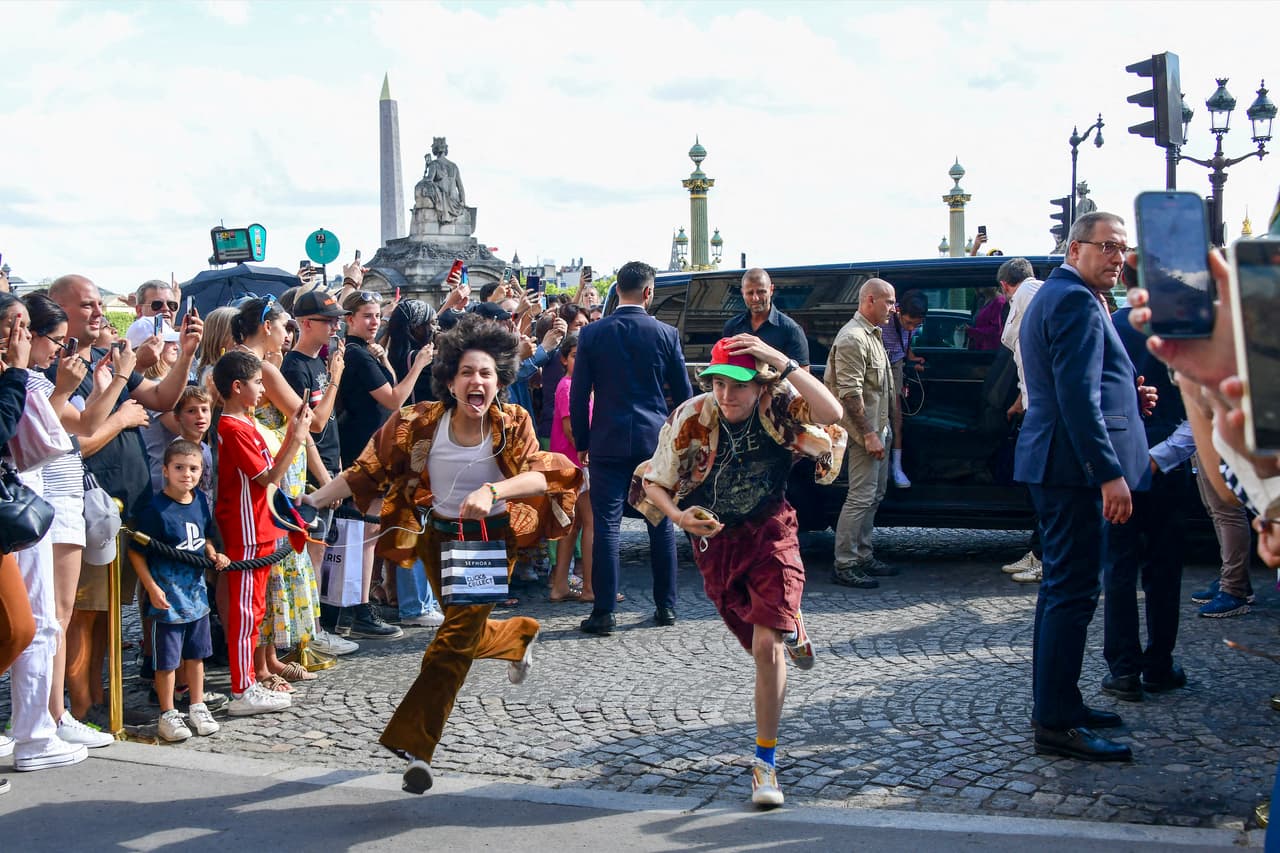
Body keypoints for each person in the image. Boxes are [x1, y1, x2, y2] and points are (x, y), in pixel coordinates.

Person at [303, 314, 581, 794]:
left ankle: (415, 747)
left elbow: (542, 476)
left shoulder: (512, 422)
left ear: (500, 382)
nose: (478, 381)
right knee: (463, 628)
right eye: (468, 372)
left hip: (490, 537)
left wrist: (494, 491)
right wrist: (314, 499)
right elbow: (366, 469)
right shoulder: (417, 422)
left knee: (451, 641)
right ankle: (516, 635)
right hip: (435, 536)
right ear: (451, 381)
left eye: (487, 373)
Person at [633, 335, 844, 807]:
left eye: (739, 385)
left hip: (771, 528)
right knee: (758, 644)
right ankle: (795, 627)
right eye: (719, 383)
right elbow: (655, 482)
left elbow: (831, 414)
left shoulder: (781, 404)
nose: (726, 395)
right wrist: (680, 517)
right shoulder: (690, 416)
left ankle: (764, 765)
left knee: (767, 645)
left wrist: (779, 361)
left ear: (760, 385)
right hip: (715, 540)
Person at [1014, 211, 1149, 763]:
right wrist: (1109, 474)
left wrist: (1129, 402)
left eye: (1123, 249)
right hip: (1071, 470)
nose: (1118, 257)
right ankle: (1055, 722)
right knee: (1071, 594)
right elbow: (1074, 397)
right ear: (1075, 250)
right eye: (1108, 247)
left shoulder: (1066, 294)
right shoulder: (1072, 299)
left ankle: (1060, 703)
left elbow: (1088, 386)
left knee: (1061, 593)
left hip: (1058, 463)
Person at [571, 261, 693, 635]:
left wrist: (583, 442)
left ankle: (604, 613)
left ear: (618, 289)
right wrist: (678, 439)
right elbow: (684, 394)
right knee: (659, 523)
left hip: (607, 438)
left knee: (607, 525)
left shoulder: (592, 334)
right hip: (653, 440)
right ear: (648, 292)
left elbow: (579, 396)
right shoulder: (666, 333)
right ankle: (666, 607)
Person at [1099, 273, 1196, 703]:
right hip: (1165, 462)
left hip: (1121, 458)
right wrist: (1163, 457)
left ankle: (1123, 669)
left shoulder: (1112, 325)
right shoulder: (1185, 331)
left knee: (1119, 566)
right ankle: (1157, 664)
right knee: (1163, 569)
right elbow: (1201, 409)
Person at [212, 349, 311, 716]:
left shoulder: (247, 424)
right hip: (245, 527)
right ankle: (242, 686)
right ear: (237, 387)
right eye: (256, 382)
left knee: (255, 610)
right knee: (245, 611)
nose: (260, 388)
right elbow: (267, 476)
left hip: (259, 523)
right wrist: (296, 437)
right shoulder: (232, 427)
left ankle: (249, 680)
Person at [334, 289, 431, 639]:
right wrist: (418, 365)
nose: (374, 322)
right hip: (364, 449)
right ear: (350, 319)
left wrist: (387, 363)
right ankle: (358, 609)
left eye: (378, 316)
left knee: (368, 533)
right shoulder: (357, 356)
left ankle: (358, 606)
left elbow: (390, 389)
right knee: (365, 534)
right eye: (367, 316)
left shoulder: (364, 353)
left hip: (371, 446)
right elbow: (394, 399)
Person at [0, 299, 69, 783]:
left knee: (21, 627)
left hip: (11, 511)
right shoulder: (14, 374)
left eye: (24, 325)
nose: (18, 334)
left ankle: (35, 731)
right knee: (22, 626)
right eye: (11, 324)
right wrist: (17, 374)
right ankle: (33, 733)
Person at [279, 289, 363, 654]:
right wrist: (334, 380)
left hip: (328, 463)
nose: (335, 327)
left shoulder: (317, 362)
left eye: (337, 320)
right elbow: (314, 424)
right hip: (310, 472)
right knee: (311, 554)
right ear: (306, 323)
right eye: (329, 321)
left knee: (320, 552)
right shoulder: (296, 367)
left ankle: (313, 629)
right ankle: (310, 632)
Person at [129, 440, 227, 742]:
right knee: (167, 659)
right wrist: (150, 587)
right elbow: (137, 551)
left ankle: (197, 705)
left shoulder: (199, 501)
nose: (187, 474)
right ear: (166, 471)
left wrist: (213, 553)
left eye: (193, 468)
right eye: (180, 468)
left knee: (196, 656)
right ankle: (168, 712)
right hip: (168, 598)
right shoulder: (155, 510)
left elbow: (204, 538)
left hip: (196, 595)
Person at [825, 278, 898, 588]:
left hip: (877, 429)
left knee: (873, 496)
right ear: (870, 300)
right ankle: (845, 563)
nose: (893, 309)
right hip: (862, 434)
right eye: (889, 302)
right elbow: (850, 394)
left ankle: (863, 554)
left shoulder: (872, 335)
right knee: (860, 497)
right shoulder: (854, 338)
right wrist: (869, 434)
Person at [995, 258, 1046, 583]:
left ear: (1004, 286)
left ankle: (1045, 556)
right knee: (1035, 487)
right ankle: (1039, 550)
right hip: (1034, 403)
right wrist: (1018, 400)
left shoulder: (1026, 295)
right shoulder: (1038, 291)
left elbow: (1012, 342)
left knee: (1041, 487)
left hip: (1042, 410)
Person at [548, 332, 594, 602]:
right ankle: (590, 587)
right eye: (576, 355)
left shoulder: (579, 385)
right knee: (591, 524)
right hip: (577, 462)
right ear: (564, 359)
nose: (581, 360)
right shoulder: (569, 386)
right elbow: (572, 430)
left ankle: (560, 586)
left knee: (573, 526)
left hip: (573, 462)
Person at [879, 290, 927, 489]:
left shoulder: (912, 325)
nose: (912, 327)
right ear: (897, 311)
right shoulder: (883, 321)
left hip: (896, 364)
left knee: (897, 418)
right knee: (880, 420)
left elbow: (903, 341)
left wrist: (911, 357)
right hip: (878, 367)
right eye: (908, 323)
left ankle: (897, 467)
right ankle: (884, 467)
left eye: (916, 325)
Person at [721, 268, 810, 369]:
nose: (755, 298)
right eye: (750, 293)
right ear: (742, 293)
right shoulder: (732, 326)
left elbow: (803, 376)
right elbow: (724, 367)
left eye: (761, 292)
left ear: (771, 290)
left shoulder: (791, 330)